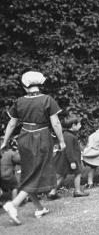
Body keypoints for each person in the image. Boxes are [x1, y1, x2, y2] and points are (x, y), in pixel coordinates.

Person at [0, 71, 66, 225]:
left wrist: (5, 141)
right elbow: (55, 123)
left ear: (25, 86)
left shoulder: (19, 101)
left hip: (24, 138)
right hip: (41, 137)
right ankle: (13, 204)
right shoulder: (47, 99)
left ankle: (39, 208)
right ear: (39, 84)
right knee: (38, 172)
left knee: (29, 172)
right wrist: (61, 141)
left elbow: (11, 123)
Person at [48, 115, 89, 199]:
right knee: (78, 173)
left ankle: (52, 192)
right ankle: (77, 191)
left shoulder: (66, 134)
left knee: (62, 175)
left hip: (64, 160)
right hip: (69, 159)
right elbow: (69, 150)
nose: (80, 126)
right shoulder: (70, 136)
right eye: (79, 124)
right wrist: (72, 162)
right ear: (73, 125)